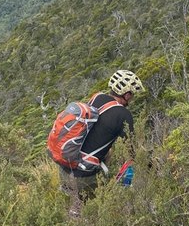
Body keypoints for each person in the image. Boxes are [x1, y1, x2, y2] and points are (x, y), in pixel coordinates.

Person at [58, 69, 143, 216]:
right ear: (127, 94)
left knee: (77, 207)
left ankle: (74, 216)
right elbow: (132, 152)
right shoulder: (124, 115)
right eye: (132, 95)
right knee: (99, 210)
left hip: (66, 166)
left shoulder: (96, 97)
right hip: (83, 177)